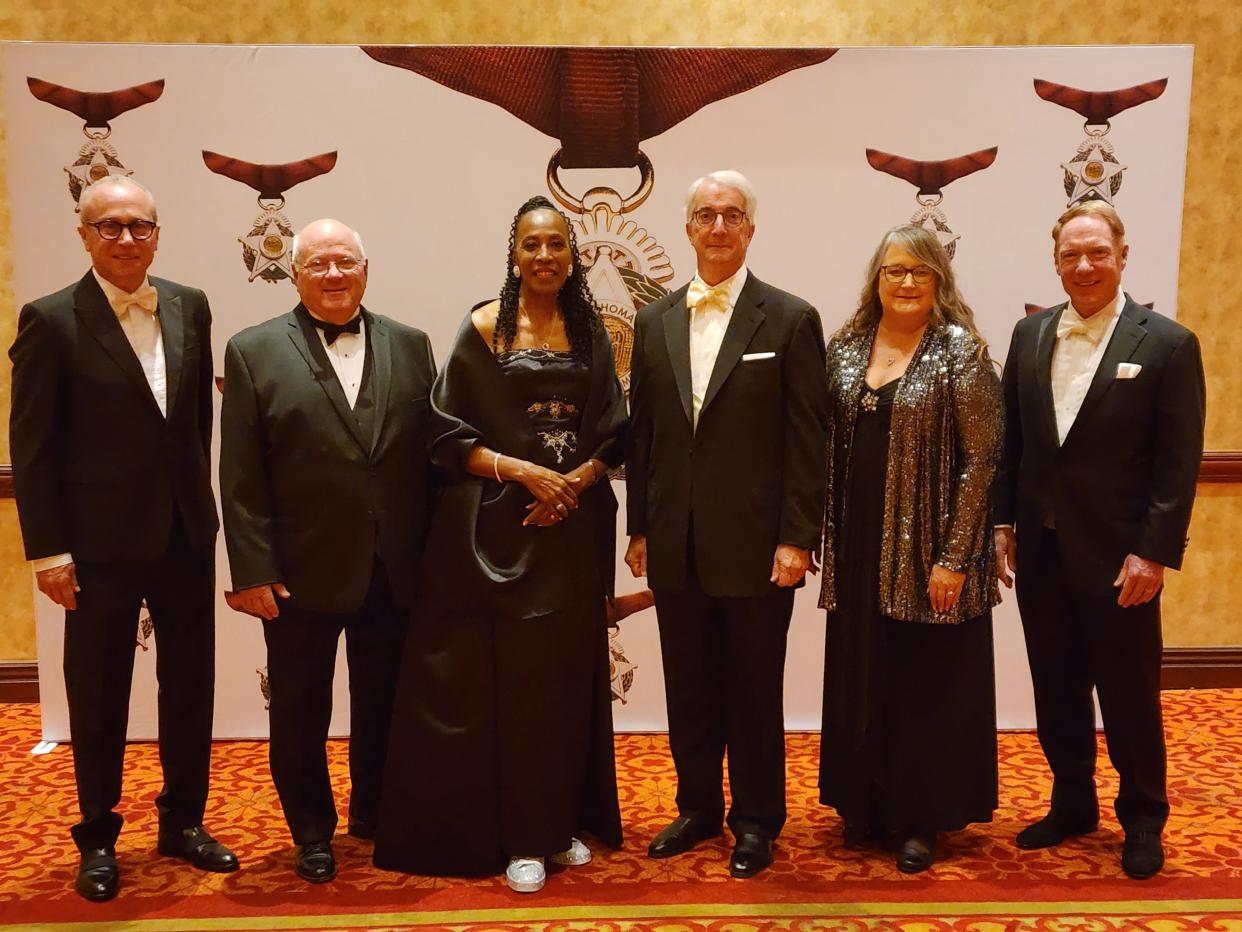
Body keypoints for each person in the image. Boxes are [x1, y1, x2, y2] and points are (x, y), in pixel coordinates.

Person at [372, 196, 626, 894]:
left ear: (573, 256)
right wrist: (524, 477)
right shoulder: (484, 326)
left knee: (566, 686)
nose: (545, 256)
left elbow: (613, 430)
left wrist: (571, 483)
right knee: (510, 689)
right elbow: (446, 436)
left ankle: (559, 823)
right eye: (531, 245)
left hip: (572, 530)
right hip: (494, 536)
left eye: (557, 245)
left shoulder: (590, 328)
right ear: (513, 254)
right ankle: (518, 836)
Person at [9, 175, 238, 901]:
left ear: (158, 233)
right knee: (99, 693)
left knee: (190, 684)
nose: (127, 238)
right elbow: (34, 445)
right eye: (109, 226)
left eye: (140, 225)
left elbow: (196, 429)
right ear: (84, 235)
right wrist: (48, 550)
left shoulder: (189, 305)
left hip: (183, 534)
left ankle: (183, 821)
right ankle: (99, 836)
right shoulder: (50, 319)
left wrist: (201, 512)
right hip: (95, 545)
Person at [219, 218, 437, 884]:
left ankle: (374, 811)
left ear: (366, 269)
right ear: (296, 274)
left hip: (393, 569)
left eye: (345, 261)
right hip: (297, 574)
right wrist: (253, 570)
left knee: (386, 703)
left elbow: (428, 459)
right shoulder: (252, 350)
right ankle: (312, 831)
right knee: (300, 711)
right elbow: (241, 474)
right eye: (318, 264)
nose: (334, 274)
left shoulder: (412, 343)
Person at [624, 170, 829, 878]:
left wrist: (799, 537)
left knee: (751, 687)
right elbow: (644, 436)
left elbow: (809, 440)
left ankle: (755, 820)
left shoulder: (791, 318)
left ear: (749, 229)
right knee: (688, 683)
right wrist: (639, 528)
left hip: (759, 544)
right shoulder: (653, 321)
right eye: (705, 215)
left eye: (731, 215)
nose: (717, 227)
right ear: (687, 228)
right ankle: (698, 807)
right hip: (675, 542)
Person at [993, 201, 1205, 880]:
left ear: (1122, 255)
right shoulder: (1028, 337)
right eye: (1070, 255)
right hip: (1042, 549)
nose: (1084, 266)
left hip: (1122, 558)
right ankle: (1072, 803)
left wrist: (1154, 551)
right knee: (1055, 688)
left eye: (1097, 253)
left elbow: (1178, 462)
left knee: (1128, 695)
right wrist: (1002, 523)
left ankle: (1143, 817)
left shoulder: (1167, 344)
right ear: (1056, 261)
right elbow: (1013, 445)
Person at [818, 224, 1002, 873]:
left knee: (922, 683)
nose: (904, 282)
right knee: (862, 674)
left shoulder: (961, 352)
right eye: (893, 270)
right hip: (859, 545)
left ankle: (919, 820)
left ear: (939, 283)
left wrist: (954, 557)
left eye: (919, 272)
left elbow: (981, 460)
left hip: (927, 550)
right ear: (876, 278)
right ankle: (863, 807)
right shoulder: (844, 351)